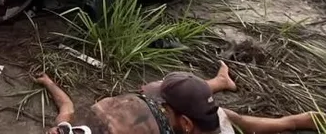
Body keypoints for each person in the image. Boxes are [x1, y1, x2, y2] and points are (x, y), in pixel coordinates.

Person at [35, 62, 320, 134]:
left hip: (164, 114)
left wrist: (49, 83)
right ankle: (220, 82)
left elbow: (66, 107)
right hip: (149, 108)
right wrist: (48, 81)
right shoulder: (66, 128)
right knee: (228, 116)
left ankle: (292, 122)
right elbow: (67, 106)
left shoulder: (64, 129)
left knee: (230, 118)